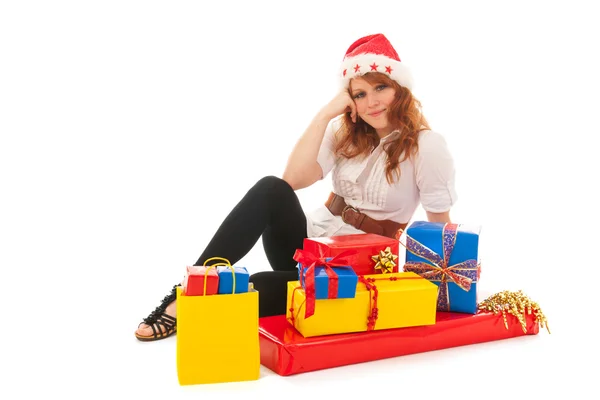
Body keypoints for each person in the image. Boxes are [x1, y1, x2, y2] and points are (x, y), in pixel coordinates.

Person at [135, 33, 458, 341]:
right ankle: (188, 290)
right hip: (311, 245)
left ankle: (195, 307)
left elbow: (439, 222)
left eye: (380, 88)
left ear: (399, 88)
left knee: (261, 285)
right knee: (271, 188)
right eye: (359, 94)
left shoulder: (426, 145)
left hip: (359, 265)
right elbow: (293, 179)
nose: (371, 102)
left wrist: (442, 287)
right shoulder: (343, 131)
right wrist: (324, 116)